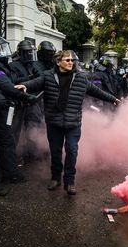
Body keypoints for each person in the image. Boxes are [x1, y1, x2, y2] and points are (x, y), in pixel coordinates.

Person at [15, 50, 120, 195]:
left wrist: (113, 99)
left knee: (72, 151)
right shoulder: (48, 76)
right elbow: (35, 83)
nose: (71, 62)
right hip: (54, 122)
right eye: (67, 60)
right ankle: (55, 178)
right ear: (58, 62)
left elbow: (96, 91)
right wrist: (25, 85)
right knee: (55, 152)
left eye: (72, 60)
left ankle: (69, 181)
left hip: (73, 123)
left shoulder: (81, 78)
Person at [0, 35, 37, 184]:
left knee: (5, 140)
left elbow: (10, 81)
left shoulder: (1, 65)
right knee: (6, 140)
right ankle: (9, 174)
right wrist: (26, 97)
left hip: (2, 109)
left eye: (4, 48)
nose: (4, 51)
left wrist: (26, 82)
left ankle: (7, 172)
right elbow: (5, 85)